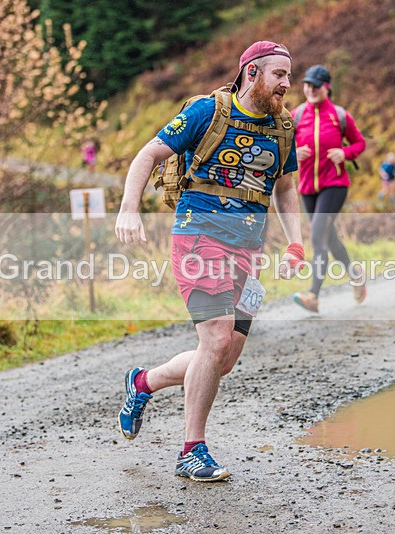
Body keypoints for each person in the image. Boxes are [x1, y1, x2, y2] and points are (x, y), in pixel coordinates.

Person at [114, 41, 305, 482]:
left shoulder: (283, 126)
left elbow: (285, 187)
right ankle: (191, 450)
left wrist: (295, 243)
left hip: (249, 249)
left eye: (289, 76)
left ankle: (143, 383)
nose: (287, 84)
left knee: (222, 357)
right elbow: (148, 154)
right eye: (280, 75)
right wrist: (128, 207)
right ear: (252, 72)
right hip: (199, 237)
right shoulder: (206, 111)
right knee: (216, 337)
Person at [291, 65, 367, 314]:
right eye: (307, 85)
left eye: (315, 85)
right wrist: (294, 153)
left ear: (327, 87)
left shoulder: (340, 116)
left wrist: (343, 153)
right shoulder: (297, 116)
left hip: (334, 185)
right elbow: (282, 148)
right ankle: (356, 275)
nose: (310, 89)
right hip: (306, 188)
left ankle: (313, 294)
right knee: (329, 238)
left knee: (317, 236)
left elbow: (359, 143)